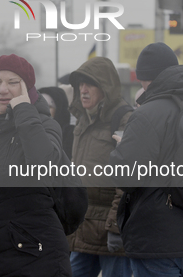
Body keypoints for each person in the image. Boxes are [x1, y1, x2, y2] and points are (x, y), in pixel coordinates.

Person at [109, 42, 183, 277]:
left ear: (146, 79)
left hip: (158, 239)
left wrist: (122, 148)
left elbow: (126, 176)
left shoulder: (147, 113)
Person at [0, 54, 73, 277]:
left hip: (37, 257)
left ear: (28, 88)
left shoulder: (46, 125)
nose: (3, 89)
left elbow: (44, 165)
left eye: (13, 82)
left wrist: (24, 110)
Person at [67, 57, 133, 277]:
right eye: (80, 85)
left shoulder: (124, 120)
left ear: (106, 87)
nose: (83, 90)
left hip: (109, 227)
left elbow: (128, 179)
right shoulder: (83, 120)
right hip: (83, 225)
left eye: (90, 84)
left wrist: (115, 225)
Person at [39, 86, 75, 159]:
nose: (42, 111)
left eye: (48, 107)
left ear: (59, 109)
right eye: (38, 107)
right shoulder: (29, 132)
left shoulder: (70, 135)